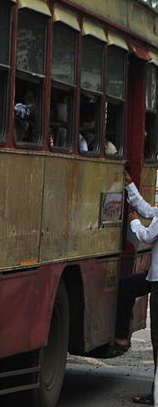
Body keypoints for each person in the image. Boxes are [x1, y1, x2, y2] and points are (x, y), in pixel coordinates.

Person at [113, 171, 158, 405]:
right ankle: (122, 336)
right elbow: (149, 209)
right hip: (154, 278)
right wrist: (131, 187)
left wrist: (133, 220)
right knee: (128, 287)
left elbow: (148, 237)